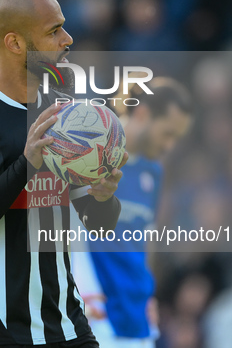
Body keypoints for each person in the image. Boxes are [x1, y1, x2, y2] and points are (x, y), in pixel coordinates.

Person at [0, 0, 127, 347]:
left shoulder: (70, 115)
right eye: (54, 31)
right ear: (15, 43)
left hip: (67, 327)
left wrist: (103, 196)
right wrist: (25, 165)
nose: (68, 39)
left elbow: (100, 224)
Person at [73, 78, 193, 348]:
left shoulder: (153, 171)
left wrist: (146, 292)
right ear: (142, 114)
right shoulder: (88, 156)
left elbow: (143, 239)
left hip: (137, 316)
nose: (170, 146)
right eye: (167, 133)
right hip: (95, 314)